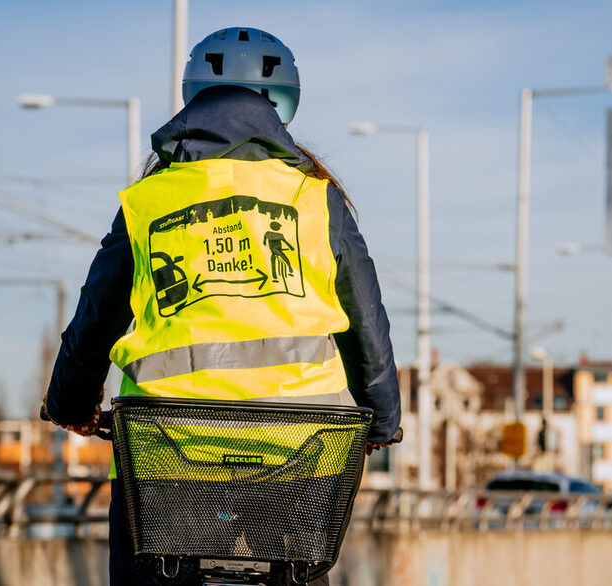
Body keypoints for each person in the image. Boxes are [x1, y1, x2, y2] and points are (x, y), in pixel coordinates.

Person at [41, 26, 401, 586]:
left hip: (168, 449)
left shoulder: (150, 198)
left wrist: (70, 403)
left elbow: (96, 318)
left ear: (193, 99)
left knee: (146, 565)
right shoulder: (315, 197)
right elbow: (366, 321)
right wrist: (383, 416)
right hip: (298, 452)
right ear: (283, 105)